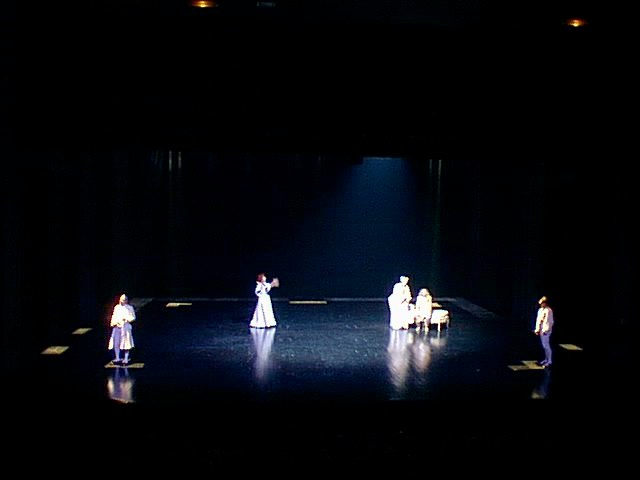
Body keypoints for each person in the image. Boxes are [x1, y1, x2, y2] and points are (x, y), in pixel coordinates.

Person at [108, 294, 136, 365]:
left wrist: (127, 319)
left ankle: (126, 358)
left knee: (126, 343)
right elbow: (114, 316)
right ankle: (117, 357)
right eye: (121, 299)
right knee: (116, 342)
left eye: (124, 300)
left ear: (126, 300)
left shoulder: (130, 308)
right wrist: (113, 323)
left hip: (125, 327)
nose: (123, 301)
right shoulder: (117, 307)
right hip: (117, 327)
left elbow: (133, 317)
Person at [534, 296, 554, 368]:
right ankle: (546, 359)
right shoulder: (540, 310)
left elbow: (549, 321)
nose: (541, 305)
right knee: (544, 346)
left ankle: (549, 361)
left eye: (542, 303)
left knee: (546, 346)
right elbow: (538, 320)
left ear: (545, 303)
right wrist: (537, 329)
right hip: (541, 329)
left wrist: (545, 330)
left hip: (546, 330)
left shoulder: (549, 310)